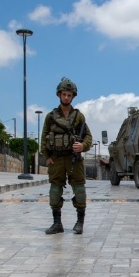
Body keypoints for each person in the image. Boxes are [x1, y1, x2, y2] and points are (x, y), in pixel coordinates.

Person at [40, 77, 93, 235]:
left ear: (73, 96)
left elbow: (88, 136)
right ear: (59, 95)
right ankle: (57, 223)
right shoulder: (51, 117)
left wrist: (82, 146)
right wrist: (47, 156)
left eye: (69, 95)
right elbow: (44, 138)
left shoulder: (78, 117)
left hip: (73, 159)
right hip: (56, 159)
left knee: (80, 190)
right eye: (64, 94)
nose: (66, 97)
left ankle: (80, 222)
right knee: (55, 190)